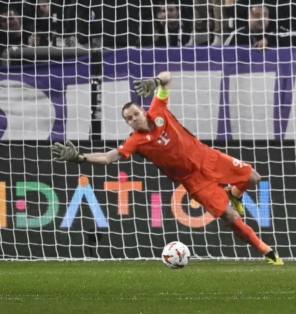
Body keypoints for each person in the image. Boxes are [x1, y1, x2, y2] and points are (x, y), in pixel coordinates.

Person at [51, 71, 283, 265]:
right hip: (194, 180)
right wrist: (80, 157)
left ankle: (234, 193)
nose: (134, 119)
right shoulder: (135, 141)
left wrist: (155, 81)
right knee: (230, 216)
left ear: (143, 111)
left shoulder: (158, 109)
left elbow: (168, 77)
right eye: (129, 119)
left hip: (208, 157)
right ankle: (267, 252)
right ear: (128, 123)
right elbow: (107, 157)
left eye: (135, 114)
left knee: (253, 177)